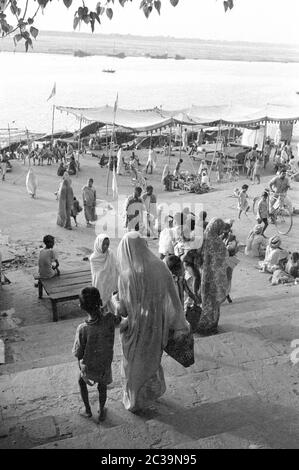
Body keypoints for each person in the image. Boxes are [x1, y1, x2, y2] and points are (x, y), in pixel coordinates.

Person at [113, 231, 190, 413]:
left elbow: (123, 310)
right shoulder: (161, 267)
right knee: (151, 359)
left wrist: (113, 300)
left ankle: (135, 400)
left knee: (133, 364)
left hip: (135, 328)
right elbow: (174, 300)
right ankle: (151, 390)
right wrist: (179, 324)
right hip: (157, 326)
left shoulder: (127, 276)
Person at [72, 287, 121, 422]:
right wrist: (115, 300)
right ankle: (101, 410)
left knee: (80, 382)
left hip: (88, 367)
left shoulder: (83, 329)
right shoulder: (110, 319)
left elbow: (78, 353)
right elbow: (119, 319)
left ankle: (87, 410)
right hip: (104, 365)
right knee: (102, 386)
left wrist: (81, 369)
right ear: (100, 301)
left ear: (81, 306)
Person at [197, 218, 229, 335]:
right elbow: (224, 259)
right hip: (215, 278)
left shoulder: (202, 239)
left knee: (205, 300)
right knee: (214, 301)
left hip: (203, 275)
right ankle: (211, 325)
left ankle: (203, 324)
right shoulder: (218, 242)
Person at [89, 234, 118, 312]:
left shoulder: (110, 254)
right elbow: (97, 275)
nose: (105, 246)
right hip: (99, 284)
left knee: (110, 304)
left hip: (109, 282)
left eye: (107, 244)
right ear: (98, 244)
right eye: (103, 244)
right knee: (101, 302)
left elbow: (115, 268)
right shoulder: (93, 258)